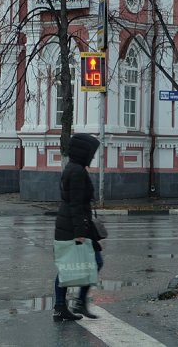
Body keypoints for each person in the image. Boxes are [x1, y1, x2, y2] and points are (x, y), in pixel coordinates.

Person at [53, 132, 104, 321]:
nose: (92, 156)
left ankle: (71, 305)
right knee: (75, 266)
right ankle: (68, 305)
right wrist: (80, 233)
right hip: (73, 226)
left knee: (75, 265)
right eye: (91, 152)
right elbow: (75, 204)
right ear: (84, 152)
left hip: (76, 224)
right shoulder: (76, 171)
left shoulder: (75, 168)